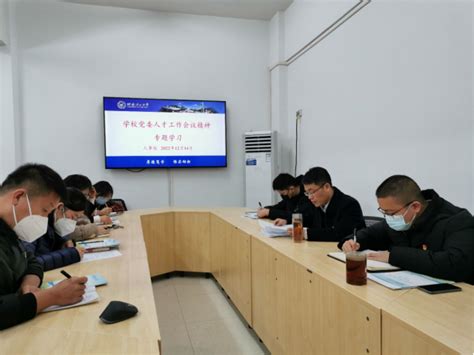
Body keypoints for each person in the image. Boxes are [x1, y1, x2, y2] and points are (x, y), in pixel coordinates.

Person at [340, 175, 474, 284]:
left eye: (391, 213)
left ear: (415, 206)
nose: (388, 217)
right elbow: (371, 234)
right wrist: (352, 241)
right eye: (384, 212)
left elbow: (455, 264)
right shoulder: (402, 219)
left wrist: (393, 256)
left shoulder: (458, 221)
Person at [0, 163, 87, 330]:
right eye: (44, 210)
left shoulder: (10, 231)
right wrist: (52, 296)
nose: (45, 220)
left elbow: (31, 261)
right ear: (18, 197)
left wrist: (29, 283)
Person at [21, 188, 87, 271]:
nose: (73, 222)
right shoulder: (32, 225)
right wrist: (70, 255)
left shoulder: (54, 223)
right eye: (74, 216)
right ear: (60, 207)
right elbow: (27, 264)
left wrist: (64, 241)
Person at [300, 167, 365, 242]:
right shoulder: (316, 204)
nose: (310, 197)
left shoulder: (349, 204)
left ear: (326, 187)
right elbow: (307, 220)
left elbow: (341, 234)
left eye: (312, 192)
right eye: (307, 193)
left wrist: (306, 233)